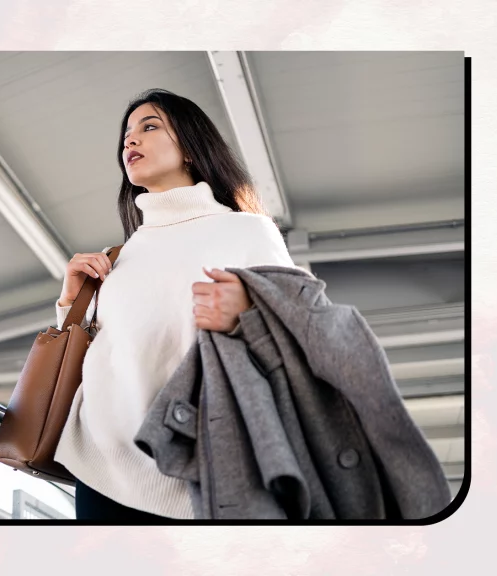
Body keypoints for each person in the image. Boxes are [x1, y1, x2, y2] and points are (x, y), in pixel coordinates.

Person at [52, 88, 297, 520]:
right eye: (126, 134)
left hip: (198, 475)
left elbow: (295, 335)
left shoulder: (247, 232)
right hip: (99, 471)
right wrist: (71, 303)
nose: (130, 141)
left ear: (189, 145)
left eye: (149, 127)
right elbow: (92, 360)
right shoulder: (118, 257)